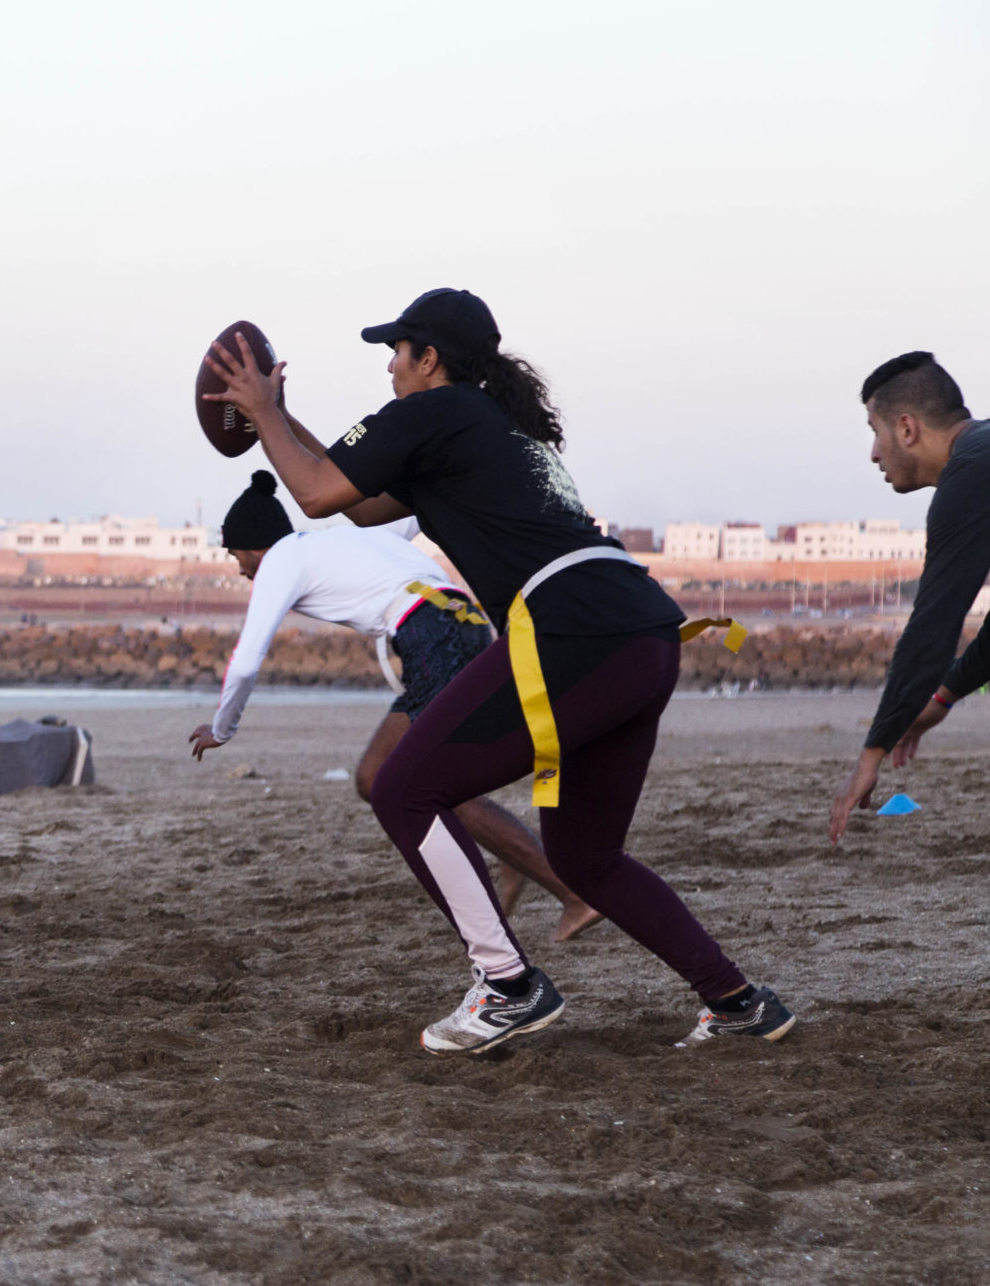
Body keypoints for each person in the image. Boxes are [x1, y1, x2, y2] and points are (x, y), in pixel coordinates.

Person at [204, 287, 792, 1052]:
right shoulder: (484, 423)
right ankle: (738, 1001)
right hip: (644, 632)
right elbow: (357, 501)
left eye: (397, 351)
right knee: (587, 857)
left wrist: (263, 411)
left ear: (430, 359)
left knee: (403, 786)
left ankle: (508, 984)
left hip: (571, 632)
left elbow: (312, 494)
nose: (388, 367)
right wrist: (274, 417)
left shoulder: (428, 412)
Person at [189, 470, 601, 941]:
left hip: (434, 638)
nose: (236, 566)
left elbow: (245, 662)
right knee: (376, 776)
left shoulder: (281, 559)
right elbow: (408, 523)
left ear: (251, 546)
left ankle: (570, 893)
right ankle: (513, 860)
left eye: (233, 553)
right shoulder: (332, 542)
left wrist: (222, 729)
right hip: (459, 626)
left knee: (436, 788)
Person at [827, 352, 987, 842]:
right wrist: (946, 693)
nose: (874, 453)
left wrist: (871, 755)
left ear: (907, 429)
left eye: (874, 432)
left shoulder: (971, 475)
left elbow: (933, 624)